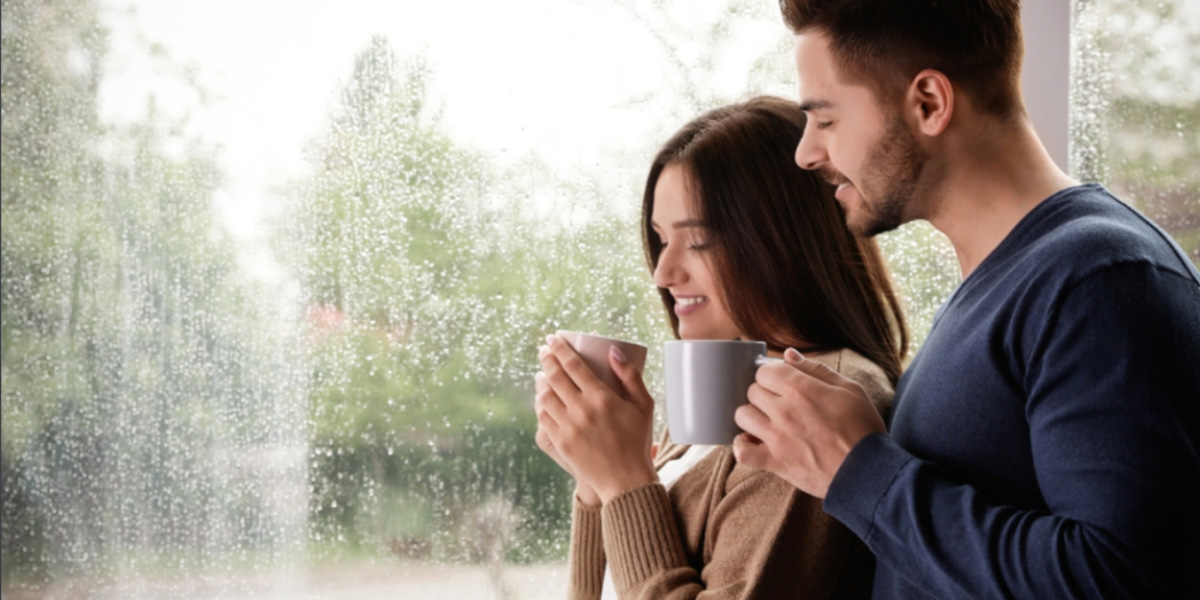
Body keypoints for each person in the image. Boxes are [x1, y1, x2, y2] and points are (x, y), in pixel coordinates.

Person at [731, 1, 1200, 598]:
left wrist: (856, 468)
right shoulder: (1009, 280)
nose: (806, 152)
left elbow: (1118, 580)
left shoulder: (1099, 280)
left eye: (824, 120)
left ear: (928, 102)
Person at [533, 95, 909, 599]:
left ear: (782, 239)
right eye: (661, 239)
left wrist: (624, 481)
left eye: (699, 240)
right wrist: (595, 477)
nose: (664, 273)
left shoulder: (815, 406)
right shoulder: (725, 387)